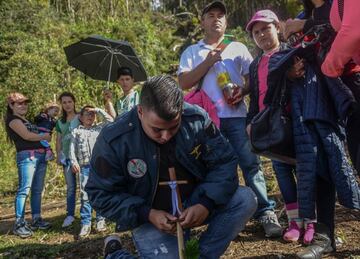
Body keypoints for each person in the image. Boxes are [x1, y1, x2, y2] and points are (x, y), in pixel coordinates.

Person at [86, 75, 258, 258]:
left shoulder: (197, 120)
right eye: (157, 129)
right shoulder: (114, 139)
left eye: (174, 127)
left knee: (245, 199)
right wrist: (147, 213)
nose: (166, 136)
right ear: (140, 112)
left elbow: (224, 163)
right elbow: (100, 194)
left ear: (181, 110)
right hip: (150, 217)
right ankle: (115, 254)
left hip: (195, 201)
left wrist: (206, 203)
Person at [177, 0, 282, 237]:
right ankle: (226, 213)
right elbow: (183, 83)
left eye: (220, 16)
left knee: (250, 165)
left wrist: (241, 91)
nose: (216, 19)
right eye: (211, 15)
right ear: (202, 21)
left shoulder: (237, 48)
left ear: (226, 22)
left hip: (237, 117)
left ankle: (266, 211)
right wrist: (209, 61)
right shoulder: (192, 52)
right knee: (215, 169)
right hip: (204, 123)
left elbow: (251, 80)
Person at [245, 10, 314, 244]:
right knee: (282, 173)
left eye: (266, 28)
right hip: (269, 126)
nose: (262, 34)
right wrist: (250, 123)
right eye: (256, 32)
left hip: (295, 120)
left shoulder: (290, 53)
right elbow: (255, 96)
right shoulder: (255, 65)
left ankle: (310, 221)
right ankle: (294, 222)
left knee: (304, 171)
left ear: (277, 27)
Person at [4, 92, 52, 238]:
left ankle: (36, 219)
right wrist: (44, 136)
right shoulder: (13, 120)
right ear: (11, 105)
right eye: (19, 103)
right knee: (24, 189)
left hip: (39, 156)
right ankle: (19, 223)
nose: (24, 105)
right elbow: (27, 136)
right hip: (28, 157)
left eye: (25, 103)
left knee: (37, 190)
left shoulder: (25, 119)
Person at [69, 105, 113, 238]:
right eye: (87, 114)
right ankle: (86, 223)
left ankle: (100, 219)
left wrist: (98, 110)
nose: (90, 116)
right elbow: (72, 148)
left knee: (101, 191)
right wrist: (74, 162)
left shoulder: (99, 128)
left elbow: (111, 121)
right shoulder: (76, 131)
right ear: (80, 117)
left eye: (92, 114)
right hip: (85, 167)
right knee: (85, 195)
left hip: (100, 166)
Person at [55, 92, 80, 228]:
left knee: (85, 187)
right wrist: (59, 154)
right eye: (64, 102)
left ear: (74, 102)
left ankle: (87, 213)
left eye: (69, 101)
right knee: (71, 187)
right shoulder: (60, 122)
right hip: (67, 158)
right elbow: (58, 139)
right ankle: (70, 214)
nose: (67, 105)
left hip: (81, 157)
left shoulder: (80, 116)